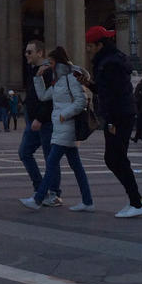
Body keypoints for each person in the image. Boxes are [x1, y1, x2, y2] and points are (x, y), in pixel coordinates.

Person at [78, 26, 142, 218]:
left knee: (116, 158)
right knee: (116, 158)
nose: (87, 49)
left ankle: (136, 202)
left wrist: (111, 121)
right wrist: (88, 83)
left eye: (90, 45)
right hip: (120, 114)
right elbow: (104, 89)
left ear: (99, 45)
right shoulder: (109, 61)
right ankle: (136, 197)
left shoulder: (110, 64)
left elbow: (114, 94)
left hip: (118, 115)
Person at [20, 46, 94, 211]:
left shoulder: (71, 79)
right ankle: (88, 201)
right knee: (76, 166)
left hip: (67, 127)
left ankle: (38, 199)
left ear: (59, 63)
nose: (49, 66)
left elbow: (81, 102)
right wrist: (38, 78)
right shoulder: (60, 80)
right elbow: (44, 96)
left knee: (52, 162)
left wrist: (64, 115)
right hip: (62, 128)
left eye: (52, 63)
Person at [18, 41, 57, 202]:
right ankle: (40, 189)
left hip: (45, 121)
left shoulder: (47, 71)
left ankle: (54, 194)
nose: (26, 54)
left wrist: (40, 118)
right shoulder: (33, 70)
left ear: (40, 53)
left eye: (29, 52)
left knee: (51, 158)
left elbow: (50, 99)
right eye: (26, 52)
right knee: (24, 152)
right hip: (33, 119)